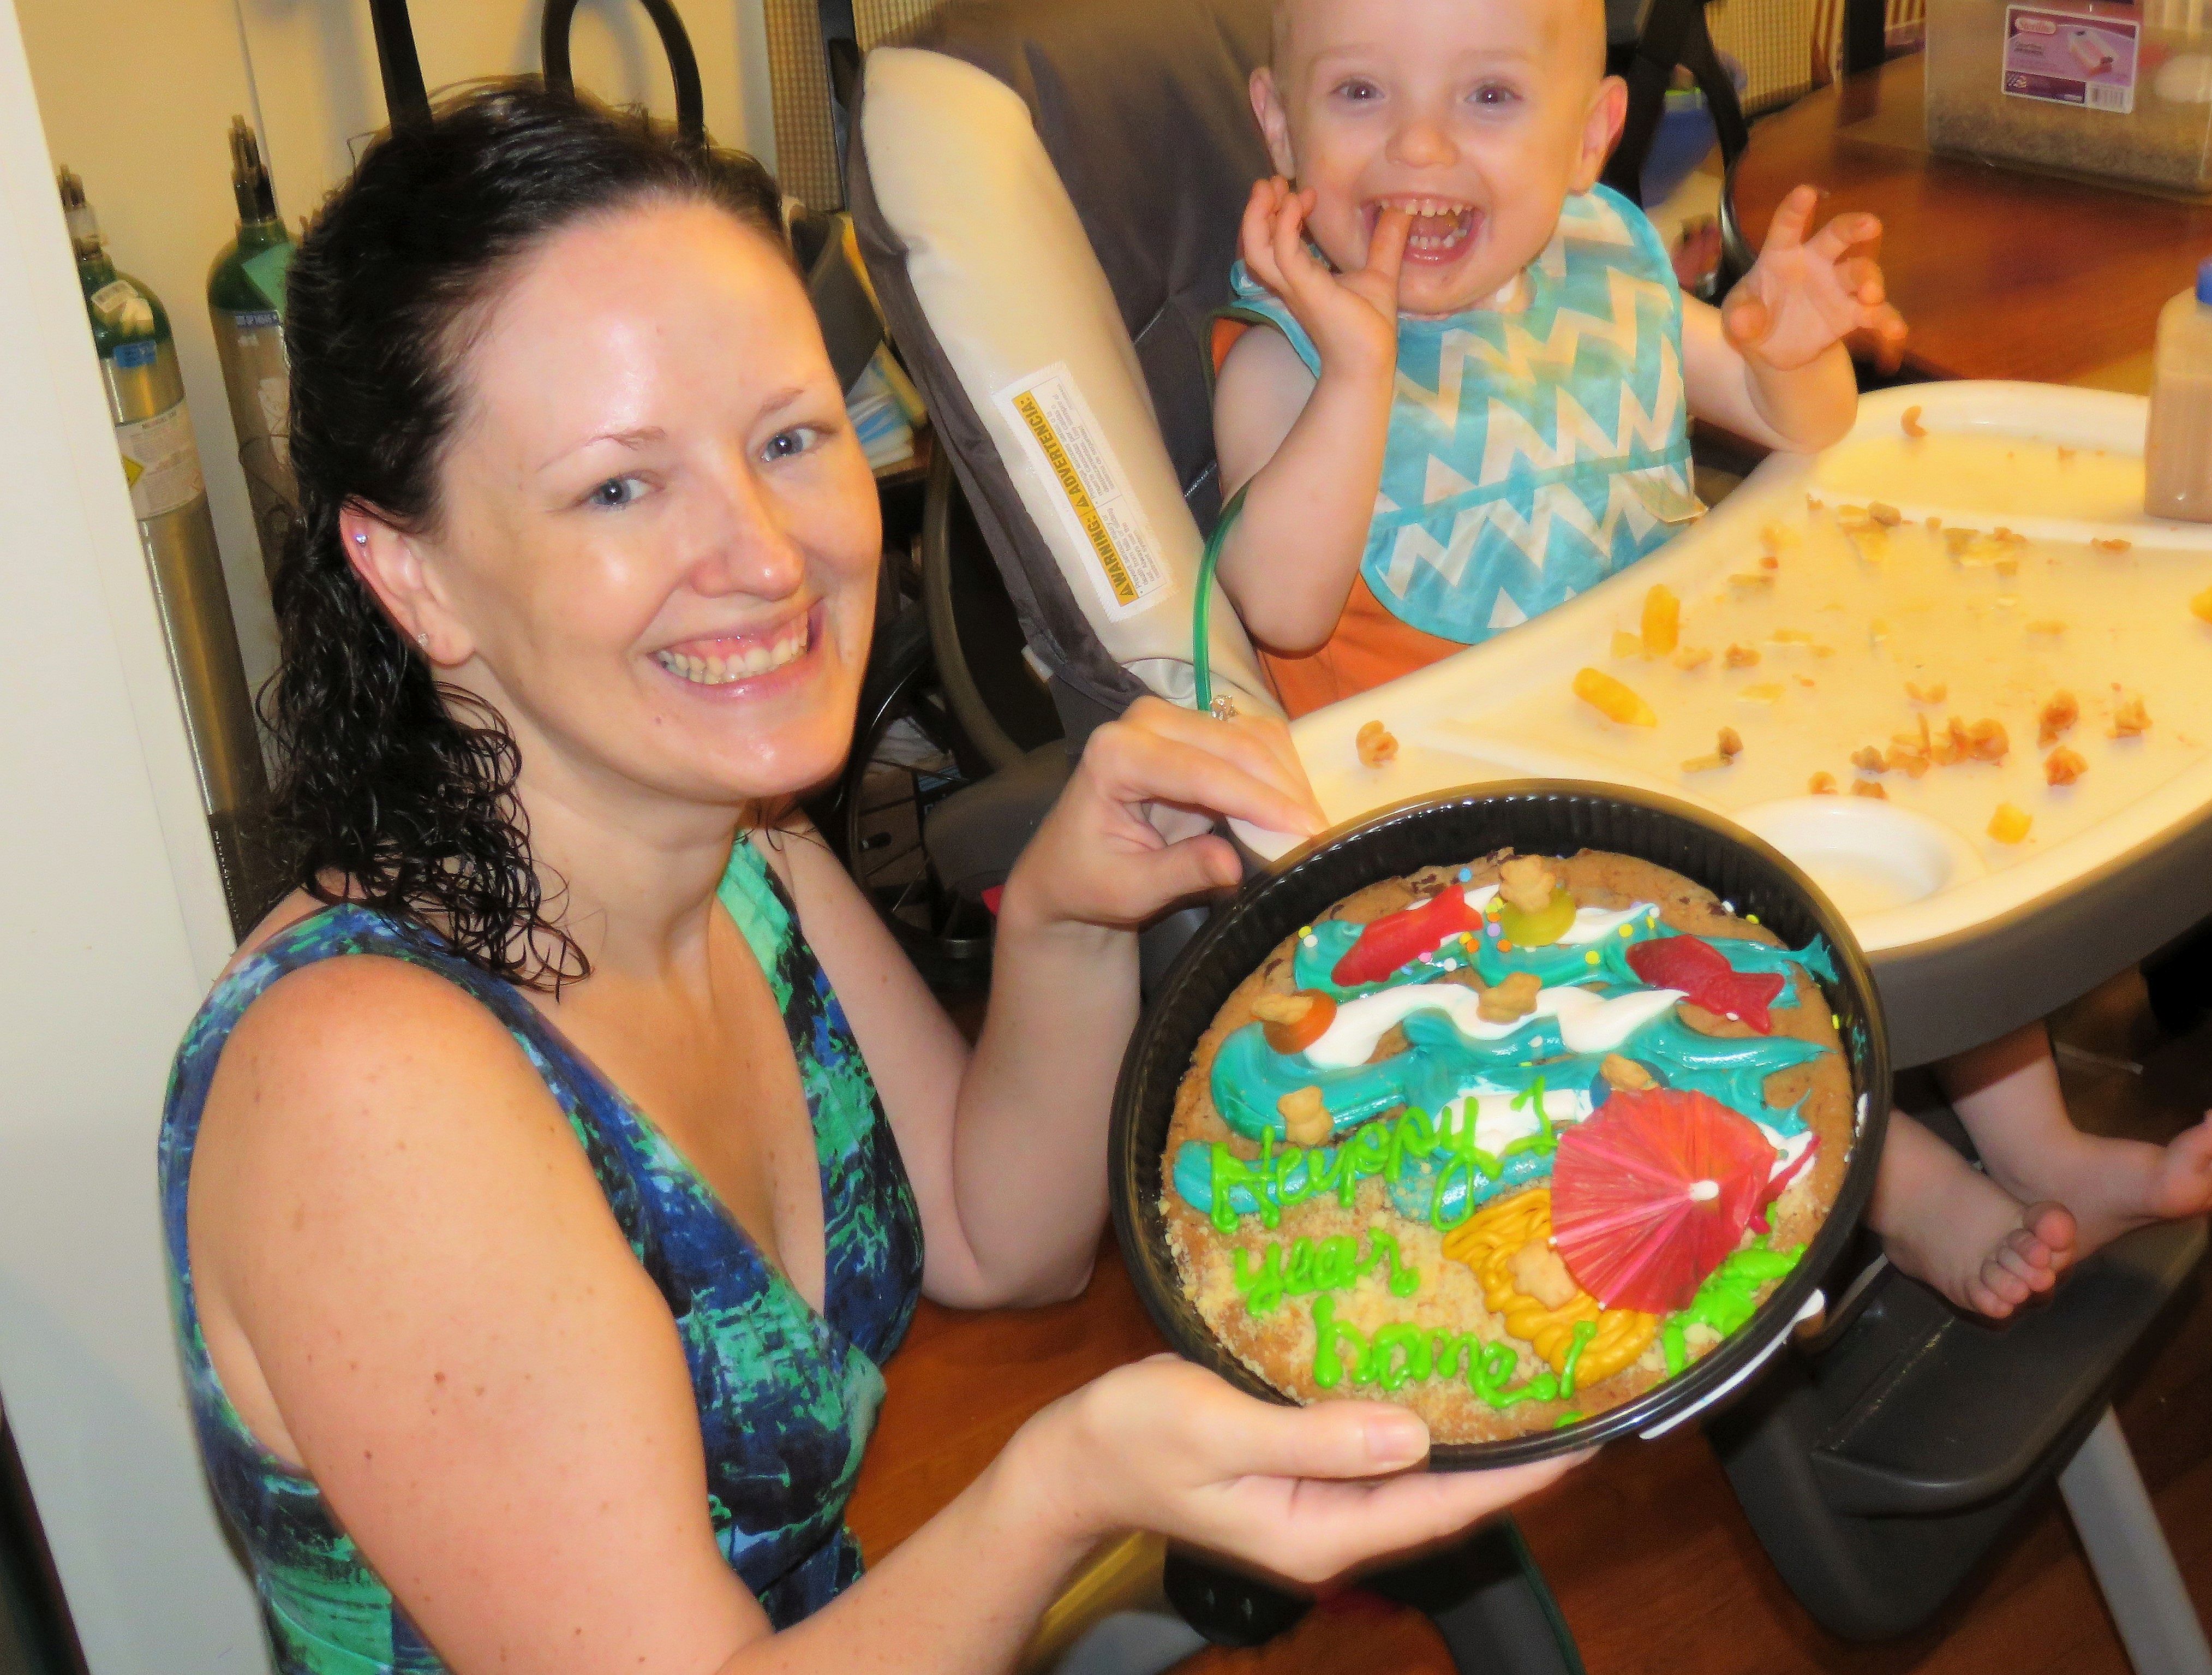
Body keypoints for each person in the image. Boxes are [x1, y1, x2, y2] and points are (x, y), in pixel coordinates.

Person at [161, 85, 1577, 1675]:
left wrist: (1065, 916)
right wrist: (1058, 1491)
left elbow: (996, 1235)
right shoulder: (368, 1085)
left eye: (788, 439)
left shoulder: (739, 840)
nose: (770, 555)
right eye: (620, 486)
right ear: (412, 572)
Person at [1208, 0, 2212, 1316]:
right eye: (1360, 95)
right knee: (1675, 988)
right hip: (1481, 840)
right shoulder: (1286, 365)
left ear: (1590, 136)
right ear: (1279, 126)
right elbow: (1282, 604)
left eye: (1487, 99)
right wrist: (1362, 372)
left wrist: (1795, 353)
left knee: (1912, 822)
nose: (1419, 147)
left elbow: (1789, 425)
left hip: (1673, 730)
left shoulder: (1603, 283)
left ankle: (2046, 1149)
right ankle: (1909, 1189)